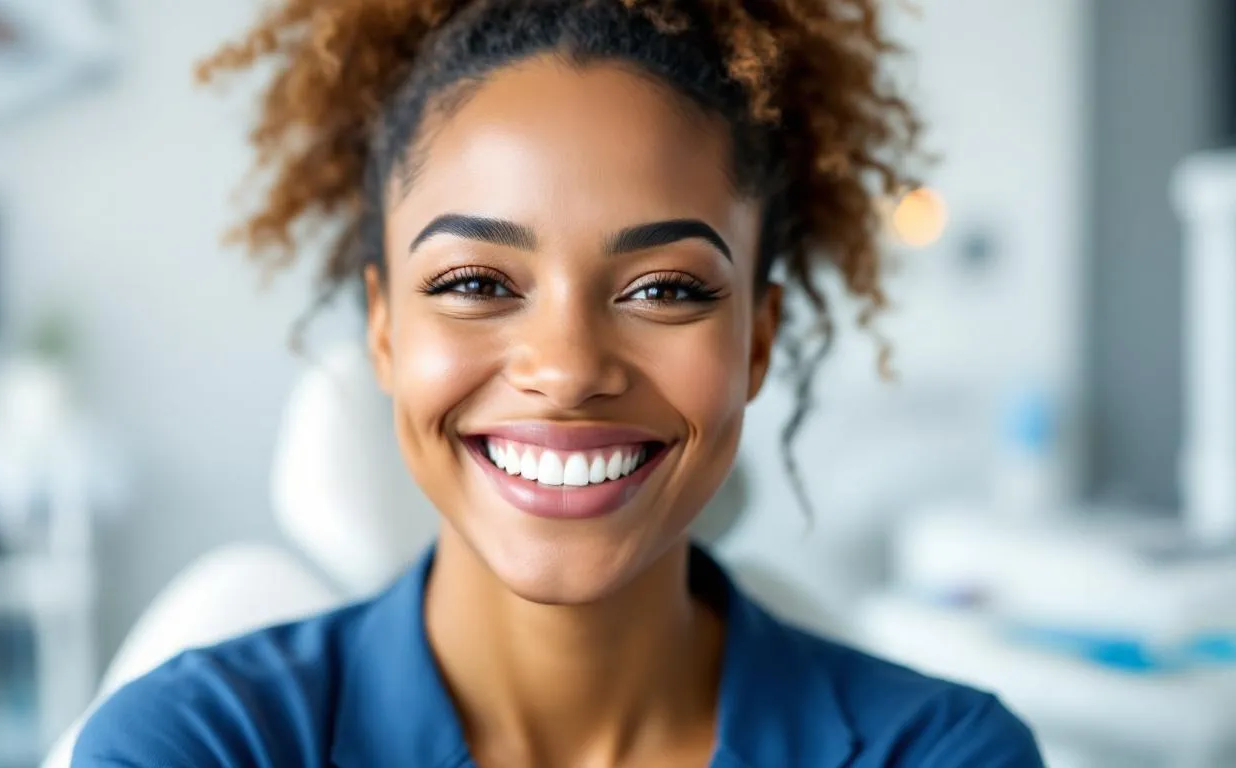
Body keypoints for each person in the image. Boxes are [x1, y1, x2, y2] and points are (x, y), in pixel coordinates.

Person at [74, 1, 1044, 766]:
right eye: (477, 284)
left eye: (664, 288)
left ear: (757, 340)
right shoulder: (194, 746)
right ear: (383, 331)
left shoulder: (943, 753)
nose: (570, 368)